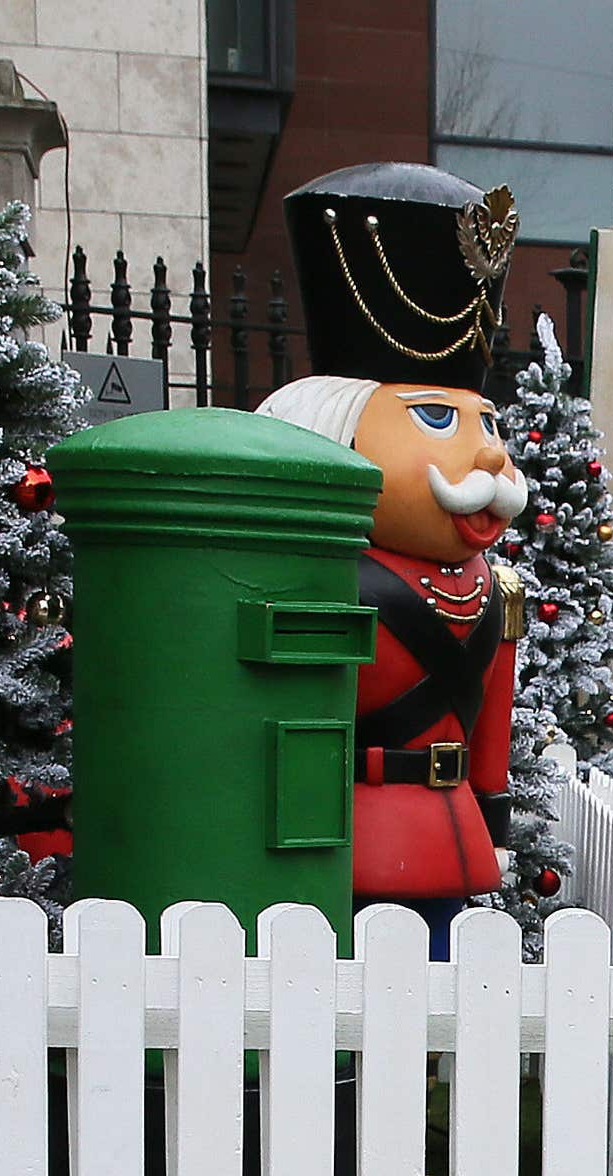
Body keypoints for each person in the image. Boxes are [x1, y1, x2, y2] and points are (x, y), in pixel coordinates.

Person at [256, 163, 529, 950]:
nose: (488, 455)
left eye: (487, 422)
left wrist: (493, 810)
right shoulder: (325, 574)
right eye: (440, 418)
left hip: (451, 830)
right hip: (347, 825)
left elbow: (492, 723)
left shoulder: (493, 587)